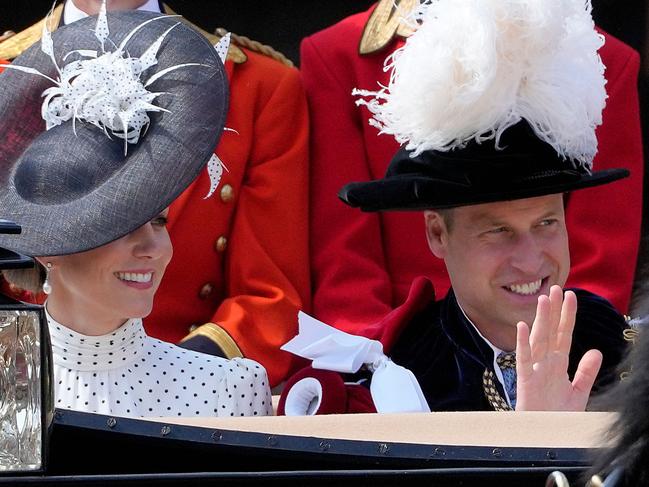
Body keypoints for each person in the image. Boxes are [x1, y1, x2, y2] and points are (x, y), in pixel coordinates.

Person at [280, 0, 629, 414]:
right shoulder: (392, 388)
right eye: (497, 230)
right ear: (436, 233)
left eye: (546, 222)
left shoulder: (622, 351)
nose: (531, 259)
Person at [0, 0, 310, 388]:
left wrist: (178, 382)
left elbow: (269, 299)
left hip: (194, 395)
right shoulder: (4, 72)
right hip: (23, 386)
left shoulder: (261, 85)